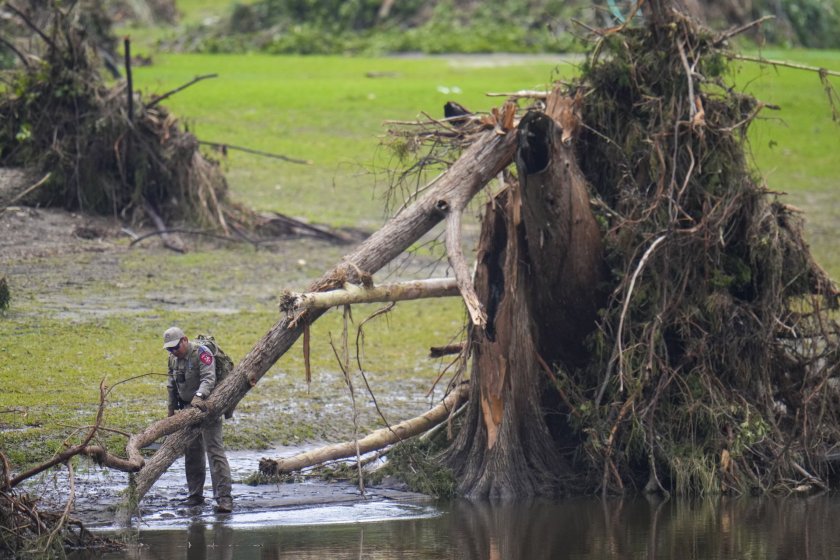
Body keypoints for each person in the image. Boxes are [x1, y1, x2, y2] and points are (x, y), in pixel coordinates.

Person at [163, 326, 234, 513]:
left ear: (184, 340)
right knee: (192, 452)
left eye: (175, 347)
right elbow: (171, 384)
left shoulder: (202, 353)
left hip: (208, 408)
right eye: (169, 349)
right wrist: (171, 411)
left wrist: (200, 396)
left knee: (214, 451)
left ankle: (224, 498)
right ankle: (195, 495)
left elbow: (209, 379)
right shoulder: (172, 359)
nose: (173, 351)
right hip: (187, 411)